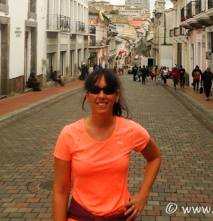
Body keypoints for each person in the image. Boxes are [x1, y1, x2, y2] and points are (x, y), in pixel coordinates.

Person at [53, 69, 162, 221]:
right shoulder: (69, 134)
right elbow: (60, 190)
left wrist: (143, 196)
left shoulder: (131, 130)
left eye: (108, 90)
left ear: (116, 95)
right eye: (96, 90)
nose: (102, 96)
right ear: (87, 95)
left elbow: (155, 156)